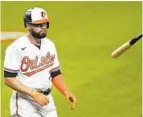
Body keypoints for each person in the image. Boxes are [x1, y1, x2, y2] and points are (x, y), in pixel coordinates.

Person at [4, 7, 76, 117]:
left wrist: (65, 91)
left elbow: (55, 72)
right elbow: (9, 79)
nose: (43, 27)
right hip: (25, 103)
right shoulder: (16, 48)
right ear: (28, 25)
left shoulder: (49, 45)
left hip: (47, 101)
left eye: (45, 24)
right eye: (38, 25)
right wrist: (34, 94)